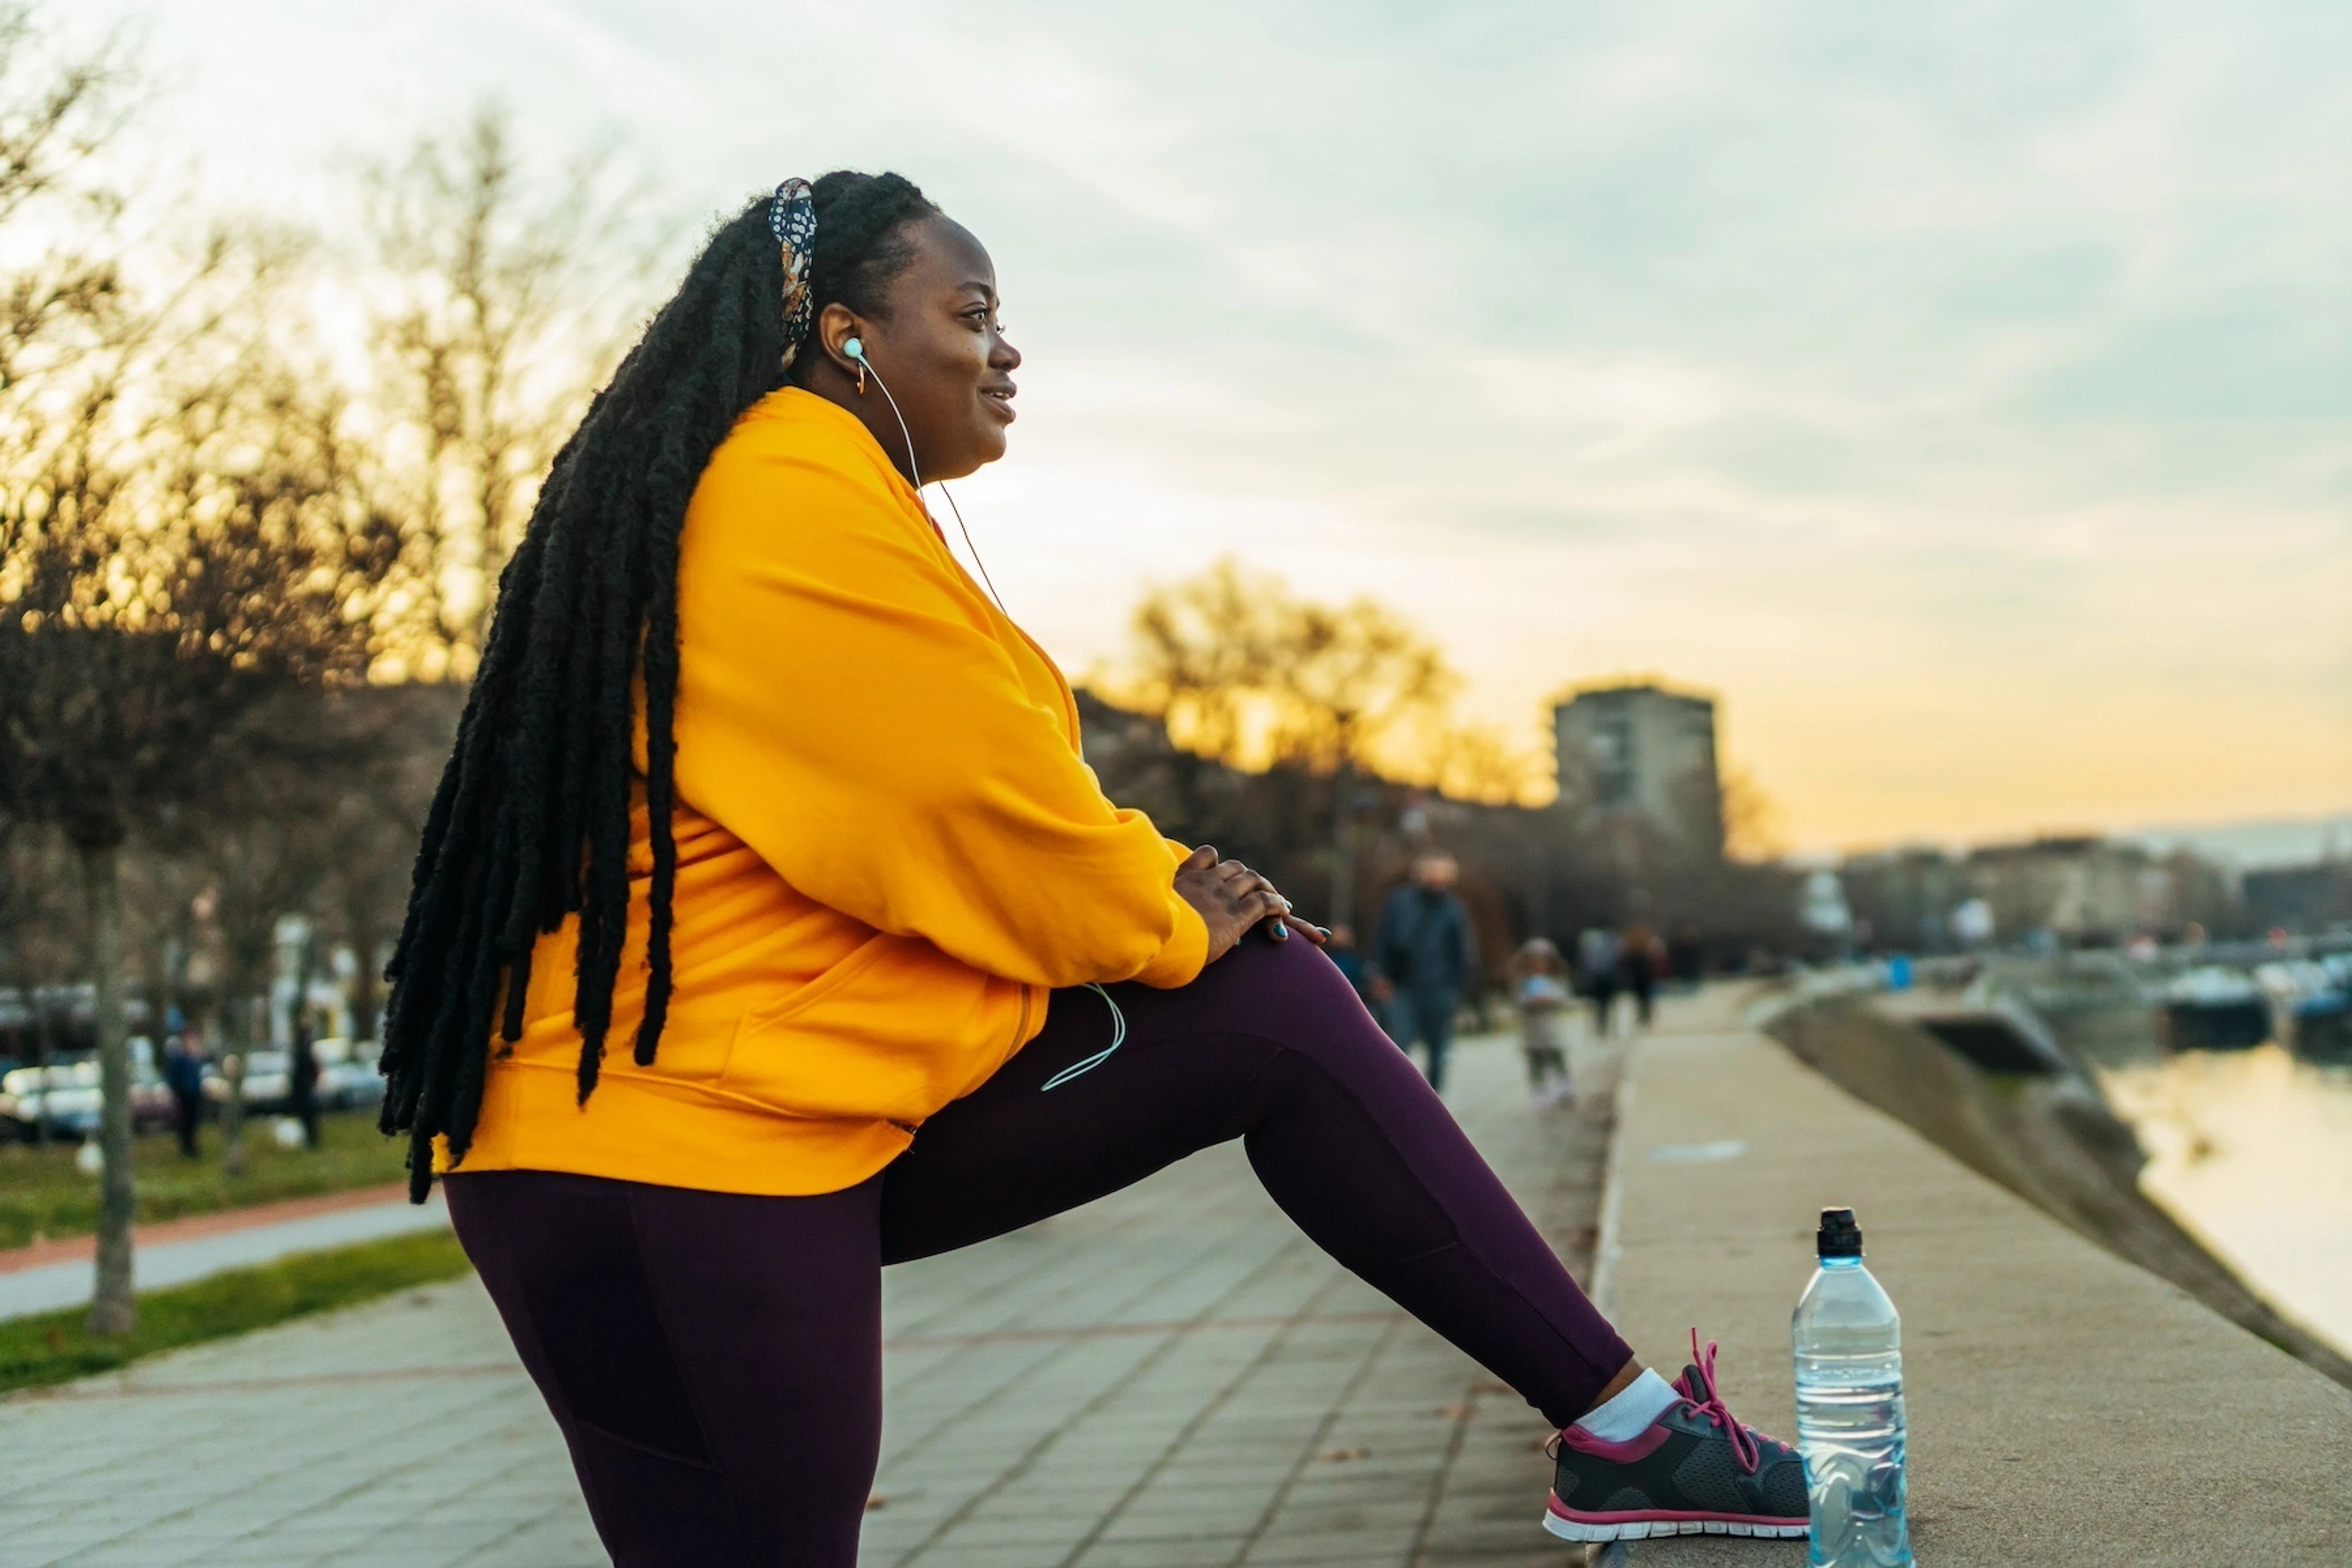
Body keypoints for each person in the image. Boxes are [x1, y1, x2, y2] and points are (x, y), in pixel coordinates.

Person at [373, 172, 1806, 1564]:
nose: (1005, 349)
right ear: (844, 333)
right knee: (1271, 1005)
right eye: (970, 310)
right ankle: (1625, 1432)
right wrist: (1164, 911)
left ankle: (1622, 1428)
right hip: (685, 1146)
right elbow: (961, 807)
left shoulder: (745, 484)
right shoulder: (782, 490)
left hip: (615, 1142)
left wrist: (1154, 892)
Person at [1373, 851, 1478, 1092]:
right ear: (1421, 874)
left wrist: (1456, 986)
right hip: (1401, 985)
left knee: (1438, 1050)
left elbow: (1462, 950)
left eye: (1444, 875)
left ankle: (1433, 1103)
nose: (1438, 880)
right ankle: (1398, 1097)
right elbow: (1383, 938)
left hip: (1439, 987)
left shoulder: (1454, 909)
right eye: (1433, 873)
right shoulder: (1399, 902)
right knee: (1399, 1047)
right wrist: (1381, 975)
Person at [1508, 938, 1575, 1109]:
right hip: (1532, 1029)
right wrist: (1531, 1001)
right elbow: (1518, 1000)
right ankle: (1540, 1091)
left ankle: (1563, 1087)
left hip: (1551, 1028)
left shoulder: (1555, 980)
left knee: (1557, 1057)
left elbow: (1563, 997)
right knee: (1535, 1060)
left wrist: (1551, 999)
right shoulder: (1522, 982)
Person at [161, 1012, 206, 1160]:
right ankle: (187, 1148)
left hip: (194, 1091)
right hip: (183, 1092)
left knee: (194, 1120)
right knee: (185, 1122)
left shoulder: (195, 1056)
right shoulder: (179, 1057)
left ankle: (192, 1146)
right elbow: (173, 1075)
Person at [1577, 927, 1621, 1038]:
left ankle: (1603, 1024)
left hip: (1603, 977)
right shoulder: (1609, 944)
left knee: (1603, 1003)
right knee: (1601, 1003)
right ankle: (1602, 1024)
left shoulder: (1596, 945)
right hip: (1601, 977)